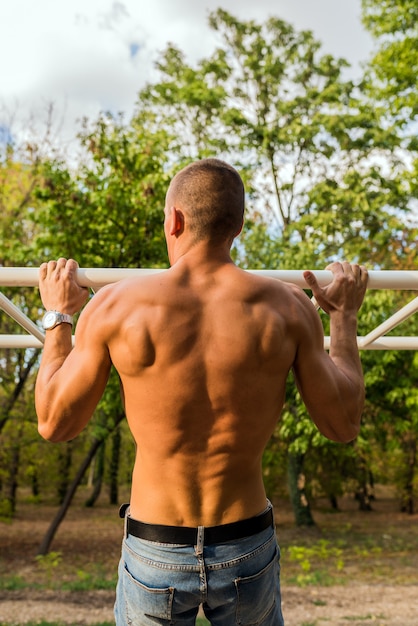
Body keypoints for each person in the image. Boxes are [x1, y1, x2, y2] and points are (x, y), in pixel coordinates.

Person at [35, 158, 368, 625]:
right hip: (246, 543)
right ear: (239, 227)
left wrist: (59, 316)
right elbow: (342, 424)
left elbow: (54, 422)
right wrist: (344, 318)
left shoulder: (116, 305)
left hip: (157, 547)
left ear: (174, 220)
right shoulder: (289, 308)